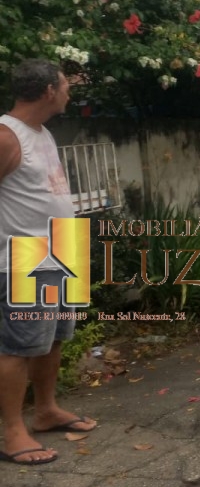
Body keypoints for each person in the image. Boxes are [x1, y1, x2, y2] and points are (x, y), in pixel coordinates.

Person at [0, 59, 98, 466]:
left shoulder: (42, 133)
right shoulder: (7, 137)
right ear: (47, 92)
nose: (68, 93)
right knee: (18, 347)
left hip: (60, 247)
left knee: (53, 339)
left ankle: (45, 411)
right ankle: (11, 433)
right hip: (26, 253)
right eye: (64, 86)